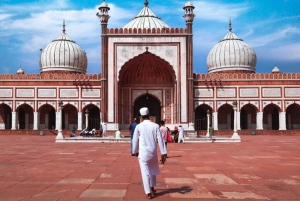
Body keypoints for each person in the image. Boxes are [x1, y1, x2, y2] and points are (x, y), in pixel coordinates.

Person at [132, 107, 167, 199]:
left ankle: (148, 192)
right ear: (149, 115)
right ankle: (152, 187)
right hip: (153, 152)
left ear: (141, 116)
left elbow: (135, 140)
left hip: (143, 153)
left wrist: (135, 151)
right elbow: (160, 140)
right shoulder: (155, 125)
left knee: (145, 172)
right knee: (152, 171)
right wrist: (164, 152)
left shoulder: (138, 126)